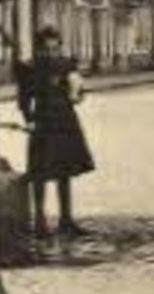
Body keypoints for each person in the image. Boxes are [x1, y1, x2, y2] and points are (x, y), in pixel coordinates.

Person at [16, 26, 95, 237]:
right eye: (47, 49)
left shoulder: (66, 65)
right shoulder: (29, 68)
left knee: (64, 171)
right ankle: (40, 221)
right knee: (39, 172)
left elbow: (76, 92)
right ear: (39, 48)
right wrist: (29, 120)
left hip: (65, 121)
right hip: (42, 121)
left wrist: (78, 92)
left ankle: (66, 220)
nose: (52, 53)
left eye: (55, 48)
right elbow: (23, 100)